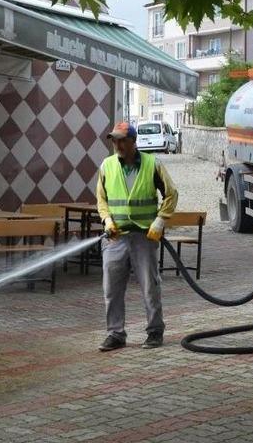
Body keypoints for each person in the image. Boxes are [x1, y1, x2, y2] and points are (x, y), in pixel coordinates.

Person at [96, 122, 178, 351]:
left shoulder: (153, 165)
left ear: (133, 141)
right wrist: (107, 220)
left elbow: (171, 194)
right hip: (115, 237)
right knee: (111, 289)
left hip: (144, 236)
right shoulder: (107, 166)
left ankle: (155, 331)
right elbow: (101, 199)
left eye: (122, 140)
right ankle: (115, 334)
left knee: (150, 286)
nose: (118, 144)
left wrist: (160, 221)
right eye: (114, 140)